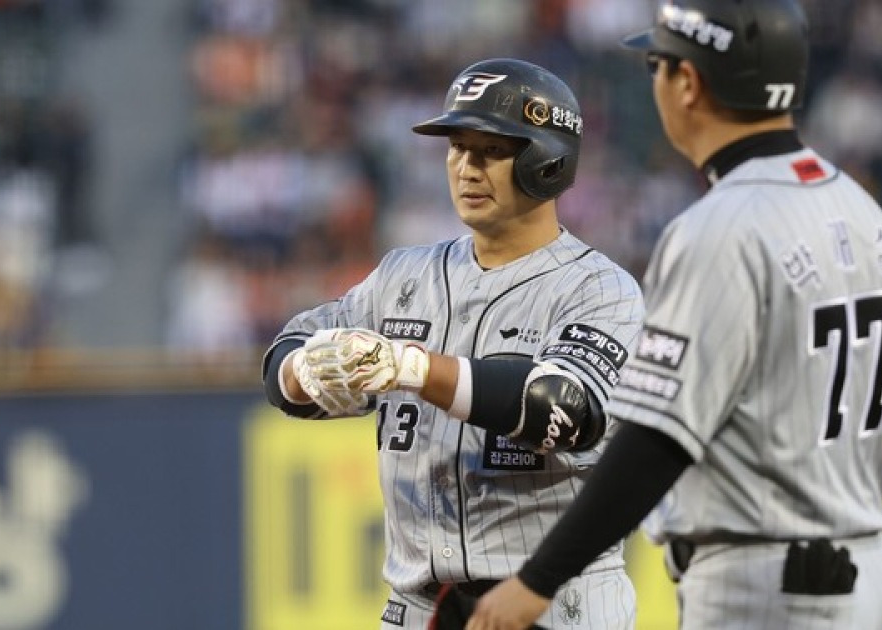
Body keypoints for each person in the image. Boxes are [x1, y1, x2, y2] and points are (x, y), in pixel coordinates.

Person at [468, 1, 882, 629]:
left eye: (658, 64)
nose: (654, 80)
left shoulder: (719, 226)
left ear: (688, 82)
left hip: (767, 585)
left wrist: (536, 580)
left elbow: (656, 440)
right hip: (866, 575)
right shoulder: (860, 208)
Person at [260, 58, 644, 629]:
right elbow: (286, 359)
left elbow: (564, 409)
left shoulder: (599, 289)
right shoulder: (404, 275)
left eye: (490, 151)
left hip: (552, 605)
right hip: (421, 607)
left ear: (547, 161)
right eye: (458, 148)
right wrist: (305, 370)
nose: (466, 168)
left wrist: (412, 368)